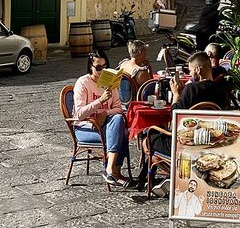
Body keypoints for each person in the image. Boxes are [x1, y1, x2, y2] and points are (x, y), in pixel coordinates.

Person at [146, 52, 231, 195]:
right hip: (213, 142)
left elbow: (176, 117)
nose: (190, 74)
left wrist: (176, 95)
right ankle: (177, 176)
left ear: (198, 69)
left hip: (187, 144)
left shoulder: (192, 89)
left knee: (148, 140)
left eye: (191, 70)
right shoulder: (222, 90)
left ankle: (177, 176)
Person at [73, 50, 131, 187]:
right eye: (98, 68)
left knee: (118, 119)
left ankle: (110, 170)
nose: (102, 71)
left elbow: (119, 108)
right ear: (90, 67)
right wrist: (100, 101)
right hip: (86, 128)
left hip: (106, 125)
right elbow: (79, 114)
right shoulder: (83, 83)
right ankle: (115, 172)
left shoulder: (110, 82)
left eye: (105, 67)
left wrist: (105, 113)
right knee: (121, 132)